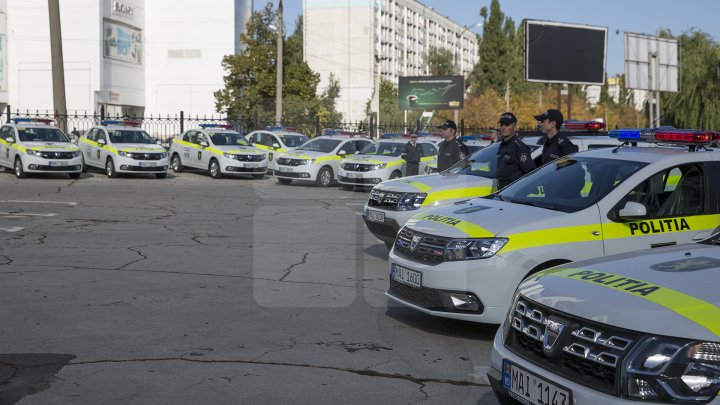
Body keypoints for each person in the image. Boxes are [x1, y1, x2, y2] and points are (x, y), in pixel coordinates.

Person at [495, 112, 535, 189]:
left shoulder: (520, 147)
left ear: (515, 127)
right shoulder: (502, 145)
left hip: (512, 190)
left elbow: (529, 173)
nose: (503, 127)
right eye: (501, 124)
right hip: (501, 189)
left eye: (507, 124)